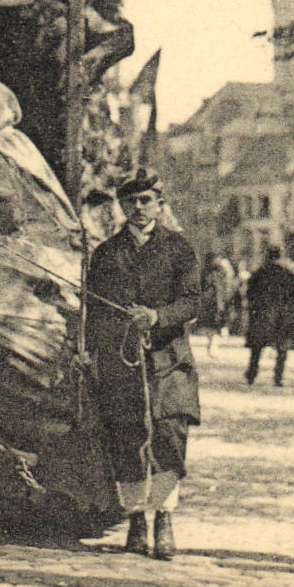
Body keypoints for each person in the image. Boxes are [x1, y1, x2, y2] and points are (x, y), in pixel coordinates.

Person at [83, 169, 201, 559]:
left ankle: (164, 516)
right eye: (131, 201)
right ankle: (136, 518)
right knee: (127, 435)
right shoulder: (105, 255)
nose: (138, 208)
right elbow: (94, 310)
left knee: (170, 431)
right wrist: (96, 349)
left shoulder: (180, 249)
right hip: (123, 360)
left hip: (169, 359)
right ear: (121, 206)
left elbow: (193, 302)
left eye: (146, 200)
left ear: (159, 204)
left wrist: (157, 316)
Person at [244, 246, 294, 387]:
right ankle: (278, 376)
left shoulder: (259, 273)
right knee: (281, 348)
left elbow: (249, 293)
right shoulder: (286, 274)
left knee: (257, 347)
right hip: (282, 314)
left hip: (262, 313)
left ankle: (252, 373)